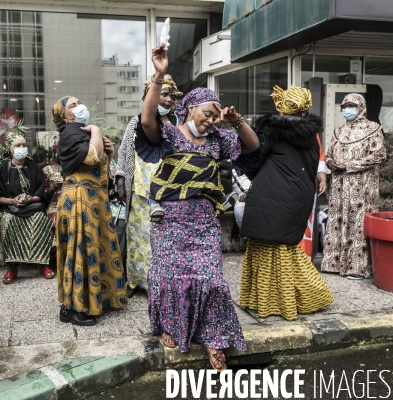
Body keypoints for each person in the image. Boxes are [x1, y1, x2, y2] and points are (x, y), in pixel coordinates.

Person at [136, 44, 262, 371]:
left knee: (212, 279)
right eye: (207, 113)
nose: (210, 120)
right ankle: (172, 326)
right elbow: (147, 117)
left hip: (204, 223)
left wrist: (237, 122)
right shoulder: (169, 135)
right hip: (170, 221)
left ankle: (214, 337)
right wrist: (159, 76)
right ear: (191, 108)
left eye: (214, 115)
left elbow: (252, 146)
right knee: (170, 277)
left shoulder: (219, 139)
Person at [240, 84, 334, 321]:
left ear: (283, 106)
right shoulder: (311, 137)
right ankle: (289, 300)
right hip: (299, 197)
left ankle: (298, 298)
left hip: (269, 198)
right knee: (285, 252)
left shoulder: (271, 132)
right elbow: (312, 167)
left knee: (266, 252)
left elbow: (252, 163)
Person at [53, 95, 127, 327]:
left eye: (79, 102)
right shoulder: (70, 133)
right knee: (80, 252)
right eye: (72, 105)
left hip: (93, 199)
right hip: (79, 200)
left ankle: (94, 299)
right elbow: (92, 157)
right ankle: (71, 308)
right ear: (64, 116)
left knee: (92, 249)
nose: (80, 107)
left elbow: (102, 167)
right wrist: (95, 129)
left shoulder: (80, 133)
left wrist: (110, 153)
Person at [115, 74, 181, 297]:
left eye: (171, 95)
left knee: (163, 238)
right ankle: (136, 281)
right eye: (163, 94)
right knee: (138, 237)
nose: (168, 99)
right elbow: (124, 151)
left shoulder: (178, 123)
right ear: (149, 96)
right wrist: (122, 181)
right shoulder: (136, 122)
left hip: (167, 193)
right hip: (139, 190)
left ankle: (161, 282)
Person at [321, 93, 386, 279]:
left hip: (362, 186)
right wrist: (331, 162)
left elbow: (378, 155)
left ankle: (357, 267)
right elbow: (329, 153)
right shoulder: (338, 131)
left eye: (350, 105)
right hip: (340, 186)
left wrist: (348, 165)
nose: (346, 109)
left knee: (357, 222)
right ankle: (334, 263)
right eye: (344, 106)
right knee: (338, 218)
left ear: (361, 106)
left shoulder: (373, 128)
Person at [0, 132, 53, 283]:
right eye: (17, 145)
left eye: (24, 145)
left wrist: (31, 199)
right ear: (10, 149)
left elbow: (41, 193)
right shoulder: (0, 170)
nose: (21, 148)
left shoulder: (34, 168)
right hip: (8, 209)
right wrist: (12, 201)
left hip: (31, 207)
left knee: (42, 220)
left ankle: (42, 264)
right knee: (9, 221)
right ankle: (12, 268)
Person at [42, 144, 63, 274]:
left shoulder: (73, 168)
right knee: (55, 219)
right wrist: (54, 188)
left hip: (70, 205)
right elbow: (43, 194)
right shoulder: (47, 170)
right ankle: (56, 258)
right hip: (53, 205)